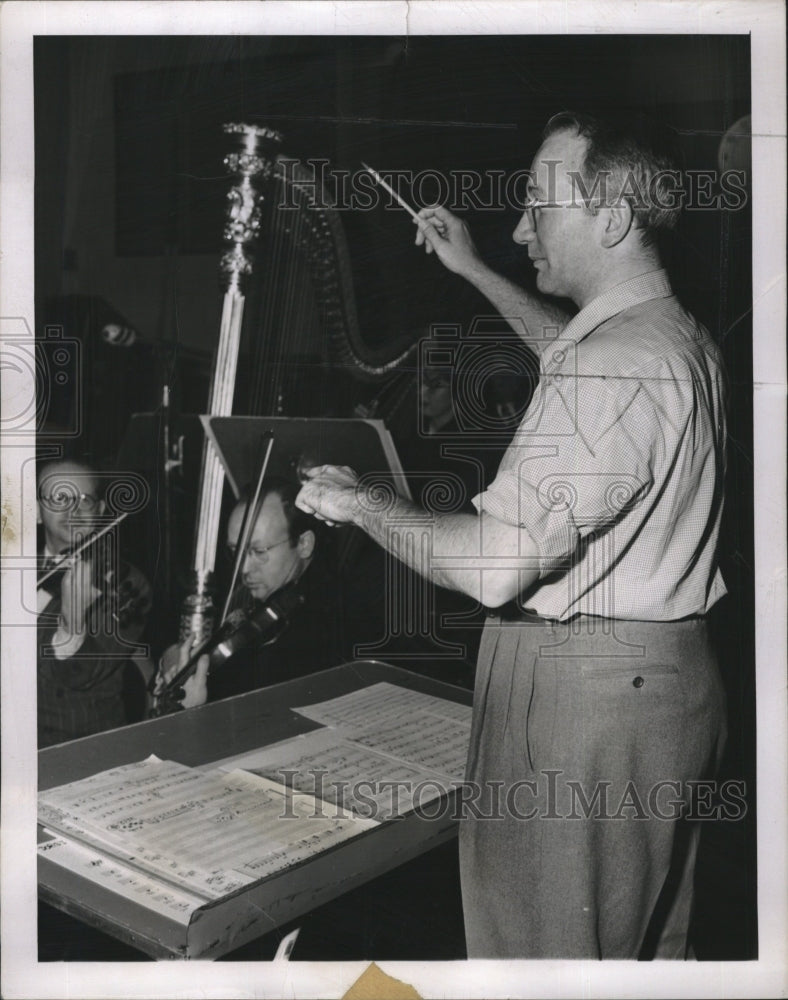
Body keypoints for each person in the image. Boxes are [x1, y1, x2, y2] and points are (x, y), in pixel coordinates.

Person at [296, 112, 728, 959]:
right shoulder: (671, 335)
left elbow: (495, 568)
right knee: (636, 958)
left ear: (610, 219)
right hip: (667, 686)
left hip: (582, 699)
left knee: (537, 961)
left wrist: (361, 503)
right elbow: (568, 354)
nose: (520, 225)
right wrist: (473, 271)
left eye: (539, 205)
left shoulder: (615, 366)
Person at [157, 477, 380, 708]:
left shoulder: (331, 621)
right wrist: (173, 657)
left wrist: (196, 711)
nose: (243, 568)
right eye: (235, 551)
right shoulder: (248, 598)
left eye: (259, 551)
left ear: (304, 544)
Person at [36, 458, 152, 747]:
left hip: (75, 742)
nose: (72, 510)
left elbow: (82, 675)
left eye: (84, 500)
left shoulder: (126, 584)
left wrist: (72, 625)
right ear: (36, 511)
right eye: (59, 497)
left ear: (100, 511)